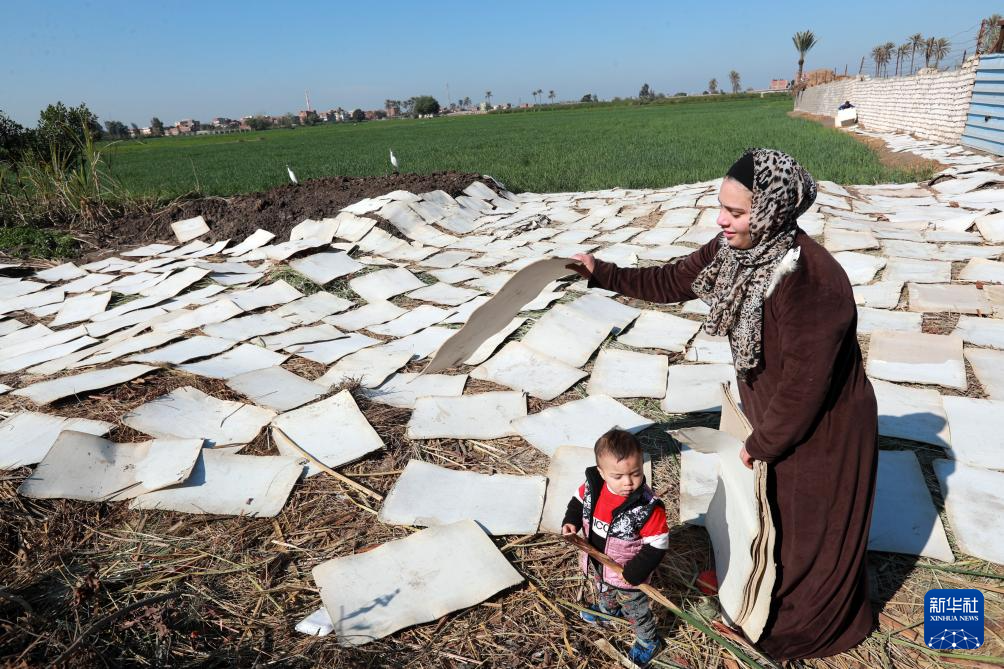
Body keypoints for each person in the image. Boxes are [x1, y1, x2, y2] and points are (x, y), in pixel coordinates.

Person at [567, 148, 878, 661]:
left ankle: (792, 629)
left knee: (806, 529)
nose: (721, 220)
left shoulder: (811, 281)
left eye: (735, 212)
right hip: (775, 412)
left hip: (824, 428)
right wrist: (602, 271)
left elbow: (805, 387)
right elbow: (672, 279)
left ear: (772, 212)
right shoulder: (735, 251)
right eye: (721, 207)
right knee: (769, 510)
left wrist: (762, 443)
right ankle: (755, 592)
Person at [562, 428, 669, 667]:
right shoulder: (592, 487)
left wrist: (635, 572)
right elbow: (578, 502)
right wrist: (571, 521)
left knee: (635, 610)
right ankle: (608, 611)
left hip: (626, 572)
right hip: (598, 560)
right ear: (601, 472)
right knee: (602, 588)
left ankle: (648, 641)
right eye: (618, 476)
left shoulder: (647, 507)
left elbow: (658, 543)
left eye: (636, 473)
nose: (628, 483)